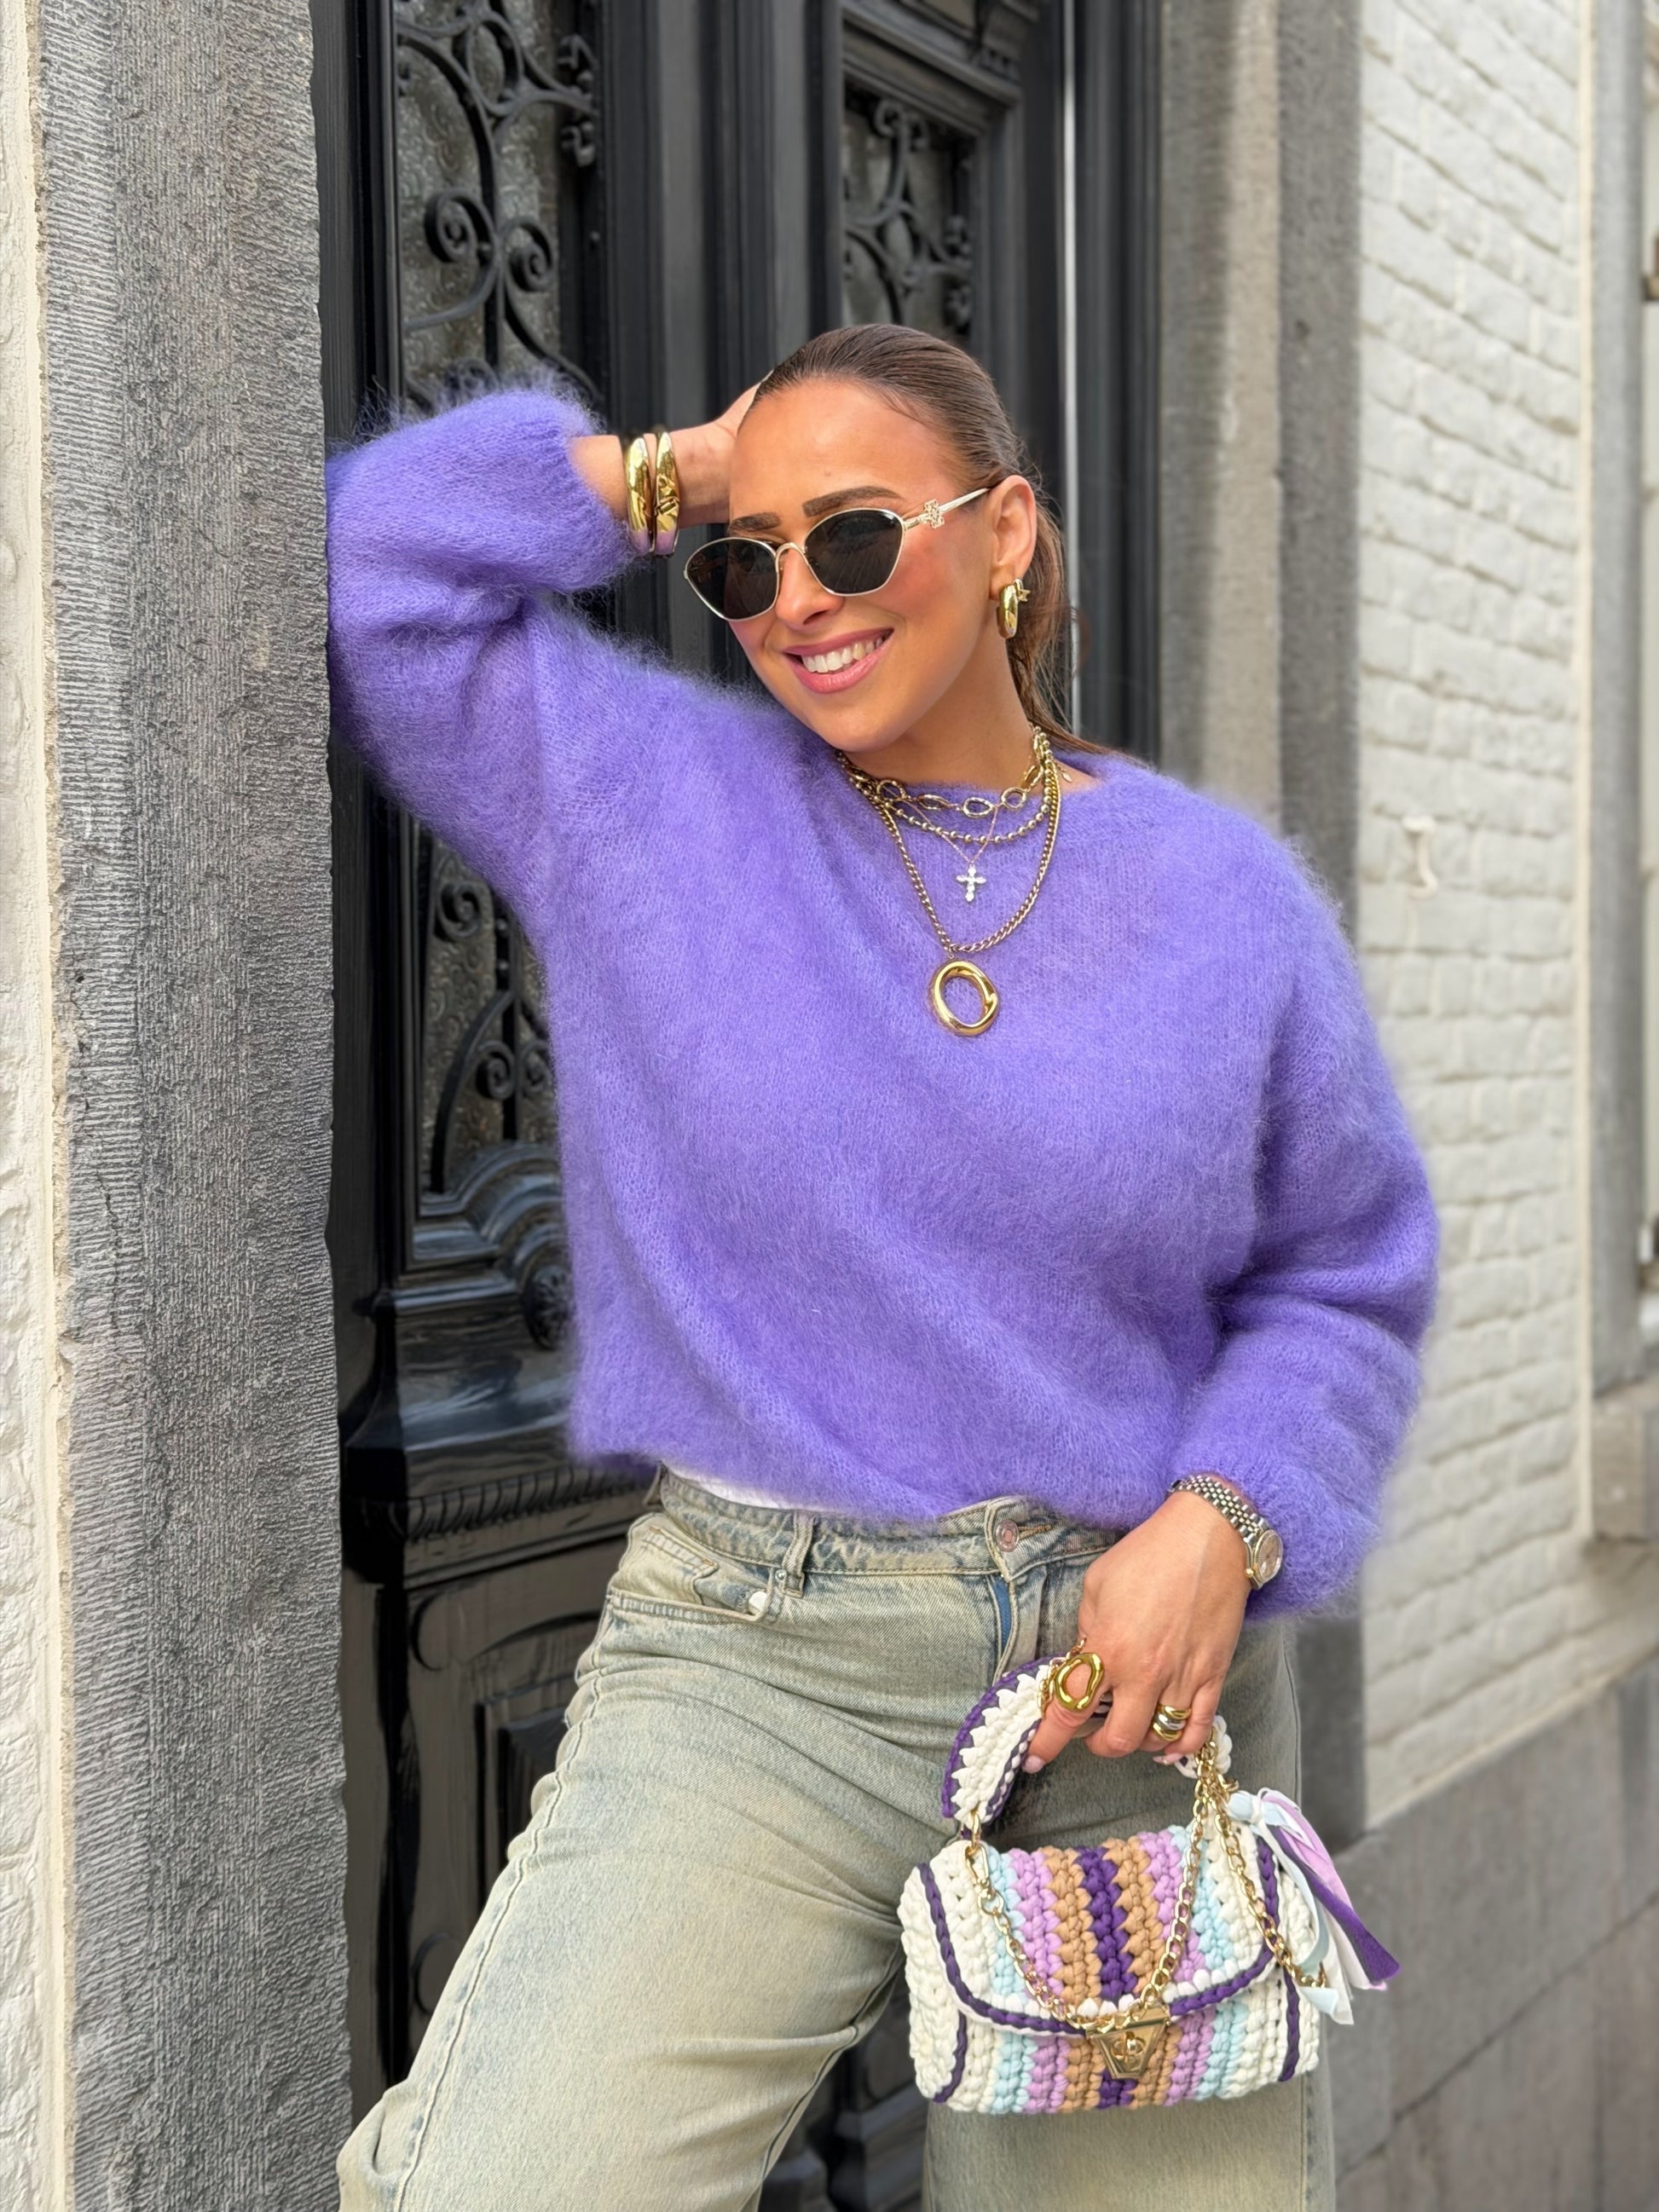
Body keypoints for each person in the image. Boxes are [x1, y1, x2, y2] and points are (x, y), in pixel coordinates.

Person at [327, 321, 1437, 2212]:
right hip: (761, 1662)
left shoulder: (1219, 899)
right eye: (743, 562)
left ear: (1004, 532)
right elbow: (376, 567)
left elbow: (1340, 1272)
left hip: (1121, 1692)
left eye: (851, 535)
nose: (796, 599)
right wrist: (684, 467)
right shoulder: (645, 800)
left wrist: (1226, 1511)